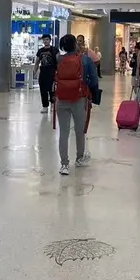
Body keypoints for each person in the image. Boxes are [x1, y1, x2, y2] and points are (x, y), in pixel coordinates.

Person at [50, 35, 99, 175]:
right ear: (75, 45)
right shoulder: (85, 60)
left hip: (62, 99)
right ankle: (79, 158)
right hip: (79, 99)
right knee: (79, 130)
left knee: (64, 132)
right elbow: (94, 81)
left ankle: (64, 164)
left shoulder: (59, 60)